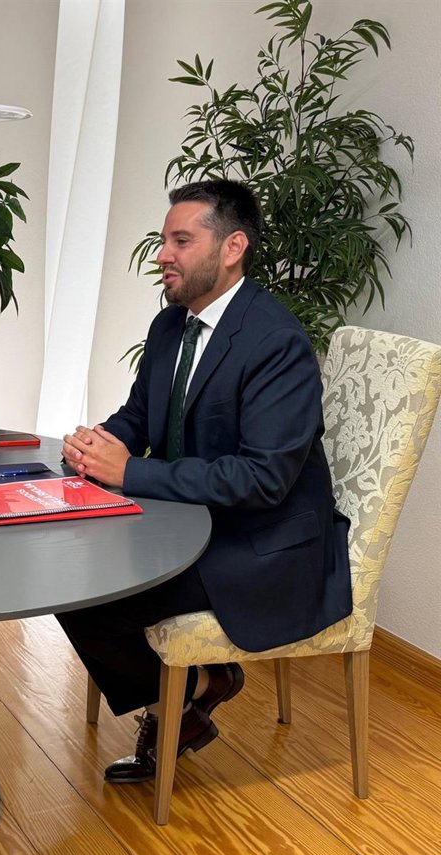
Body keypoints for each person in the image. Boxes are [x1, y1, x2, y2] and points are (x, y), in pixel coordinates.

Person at [58, 179, 352, 783]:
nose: (162, 254)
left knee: (90, 595)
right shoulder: (171, 325)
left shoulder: (277, 343)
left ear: (232, 247)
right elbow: (139, 415)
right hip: (190, 520)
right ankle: (193, 693)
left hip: (263, 543)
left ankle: (184, 698)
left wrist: (130, 472)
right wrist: (97, 446)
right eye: (164, 240)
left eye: (181, 241)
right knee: (68, 568)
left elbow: (263, 479)